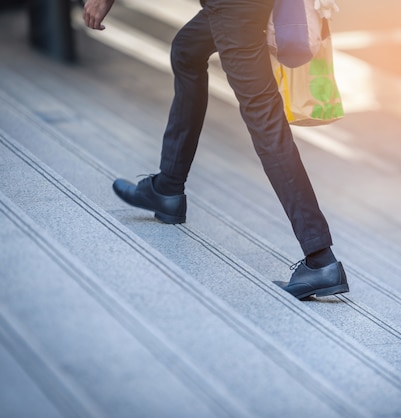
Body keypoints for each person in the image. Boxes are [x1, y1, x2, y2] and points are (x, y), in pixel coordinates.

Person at [83, 0, 348, 299]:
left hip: (233, 7)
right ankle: (167, 189)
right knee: (186, 50)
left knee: (265, 122)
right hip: (231, 7)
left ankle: (320, 258)